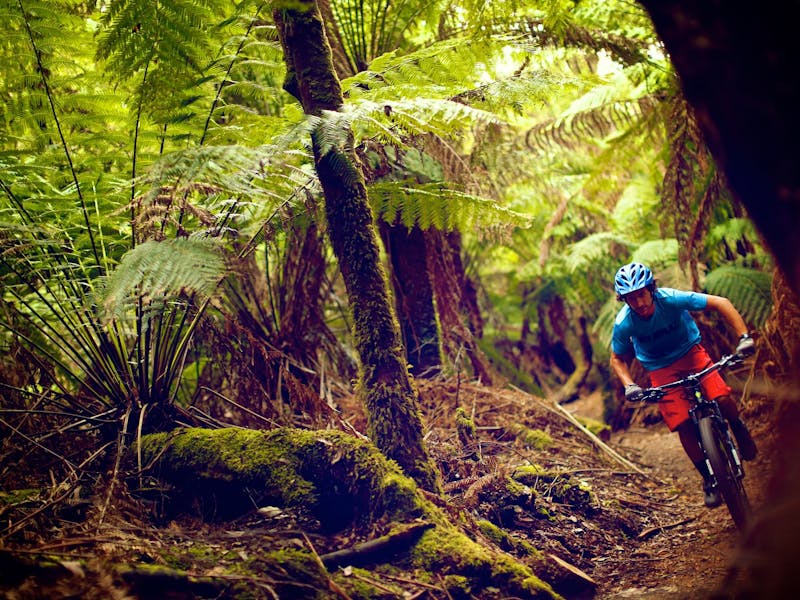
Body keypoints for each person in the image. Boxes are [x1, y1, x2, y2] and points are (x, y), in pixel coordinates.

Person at [609, 262, 757, 508]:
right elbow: (617, 359)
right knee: (683, 424)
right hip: (660, 369)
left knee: (721, 397)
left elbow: (721, 303)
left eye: (641, 294)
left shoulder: (671, 299)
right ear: (624, 300)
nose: (639, 303)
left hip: (692, 354)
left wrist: (744, 338)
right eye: (631, 299)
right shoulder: (624, 323)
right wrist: (630, 385)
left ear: (651, 289)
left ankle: (738, 427)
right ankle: (709, 478)